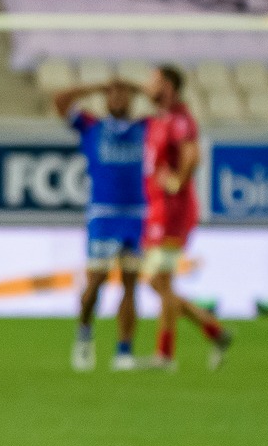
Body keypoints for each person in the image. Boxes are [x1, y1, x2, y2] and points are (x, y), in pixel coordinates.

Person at [52, 77, 147, 371]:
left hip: (135, 214)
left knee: (131, 284)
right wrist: (96, 87)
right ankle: (84, 336)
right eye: (113, 94)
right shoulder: (92, 126)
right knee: (96, 282)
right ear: (106, 98)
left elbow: (174, 111)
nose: (118, 99)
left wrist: (140, 88)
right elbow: (60, 100)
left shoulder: (144, 128)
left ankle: (124, 350)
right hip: (103, 214)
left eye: (123, 94)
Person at [141, 65, 232, 371]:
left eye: (152, 81)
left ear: (167, 85)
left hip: (173, 213)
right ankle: (213, 330)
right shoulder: (160, 120)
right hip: (158, 211)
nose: (147, 87)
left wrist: (178, 180)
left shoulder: (179, 119)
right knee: (157, 282)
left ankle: (165, 354)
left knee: (161, 280)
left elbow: (193, 154)